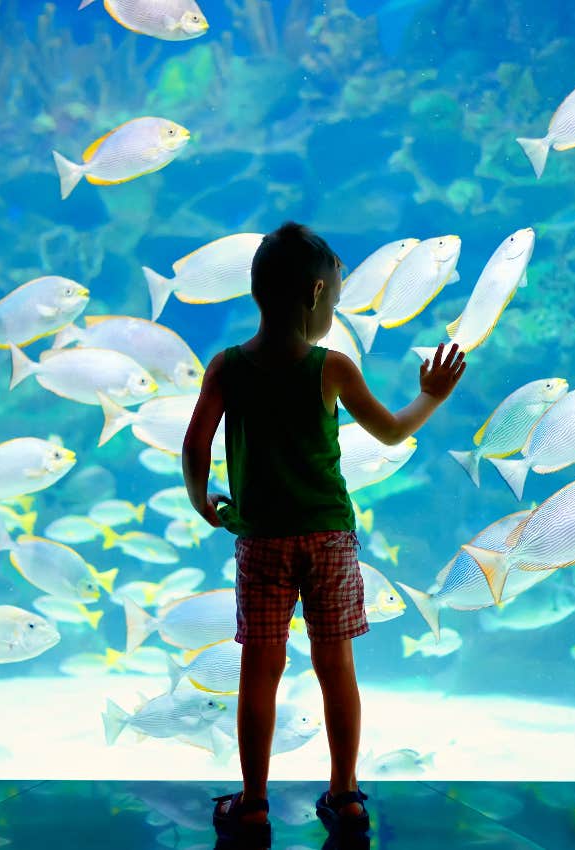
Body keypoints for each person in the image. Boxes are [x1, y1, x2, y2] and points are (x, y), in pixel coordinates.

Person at [182, 222, 466, 847]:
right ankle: (345, 795)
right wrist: (431, 396)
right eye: (335, 300)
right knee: (336, 664)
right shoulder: (331, 369)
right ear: (314, 295)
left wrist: (202, 498)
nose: (335, 310)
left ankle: (253, 804)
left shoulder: (227, 368)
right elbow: (393, 433)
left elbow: (196, 441)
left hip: (261, 542)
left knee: (261, 667)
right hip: (329, 540)